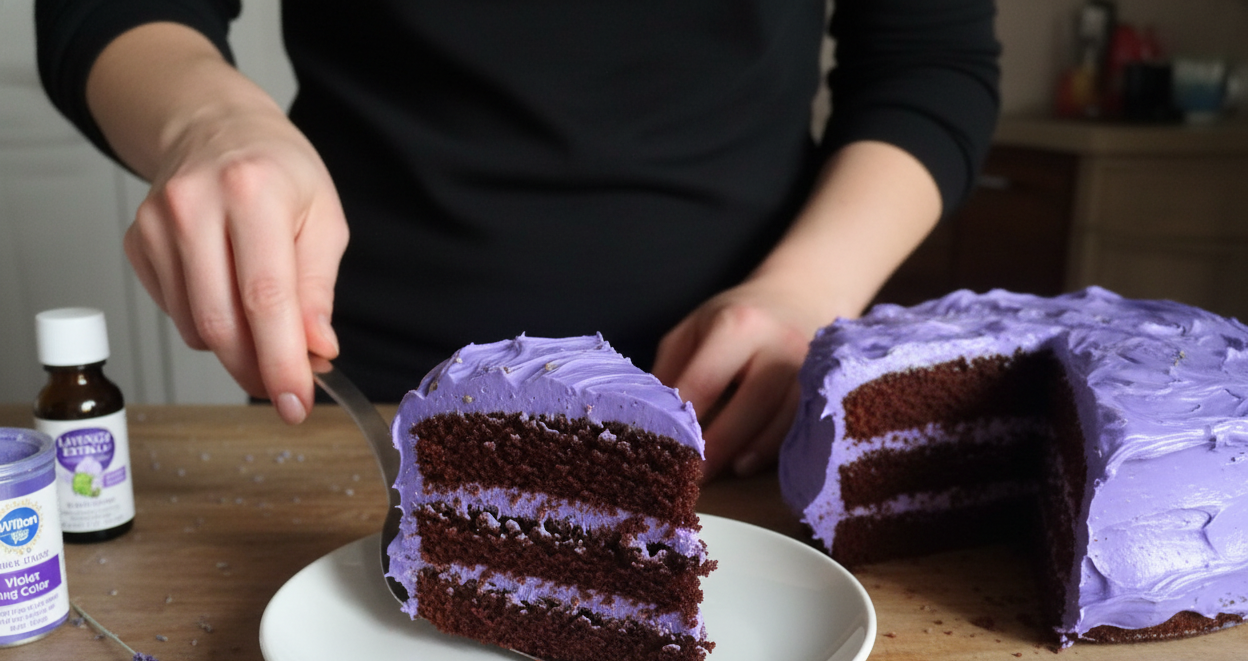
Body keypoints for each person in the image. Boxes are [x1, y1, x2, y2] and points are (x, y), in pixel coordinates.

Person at [36, 0, 1000, 480]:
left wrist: (811, 285)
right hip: (358, 389)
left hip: (736, 401)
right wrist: (207, 122)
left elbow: (931, 62)